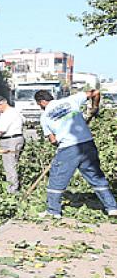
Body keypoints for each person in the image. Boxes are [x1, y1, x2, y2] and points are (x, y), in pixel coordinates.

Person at [35, 88, 117, 218]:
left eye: (39, 105)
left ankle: (53, 211)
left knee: (57, 178)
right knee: (96, 177)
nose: (40, 108)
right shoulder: (71, 100)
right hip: (88, 144)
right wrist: (94, 108)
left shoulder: (44, 117)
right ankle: (112, 208)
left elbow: (52, 140)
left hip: (68, 147)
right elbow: (95, 92)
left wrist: (59, 144)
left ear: (42, 102)